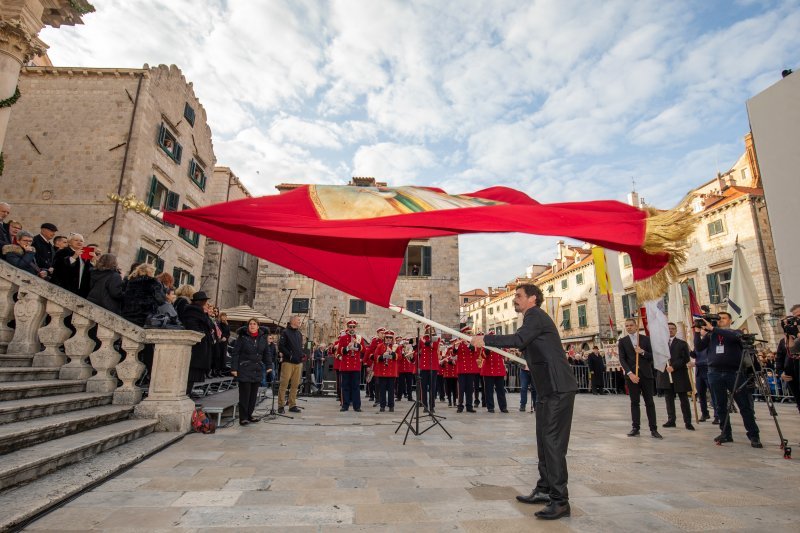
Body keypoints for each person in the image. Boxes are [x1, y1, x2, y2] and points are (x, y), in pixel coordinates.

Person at [474, 284, 577, 520]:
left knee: (552, 443)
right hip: (547, 389)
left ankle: (560, 501)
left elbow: (520, 339)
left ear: (532, 298)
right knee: (544, 440)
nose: (514, 300)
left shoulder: (535, 315)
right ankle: (544, 489)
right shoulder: (532, 318)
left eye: (518, 296)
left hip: (558, 388)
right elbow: (533, 347)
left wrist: (486, 339)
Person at [696, 312, 762, 447]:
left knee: (744, 405)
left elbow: (735, 337)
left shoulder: (735, 332)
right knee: (720, 405)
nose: (720, 320)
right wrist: (697, 331)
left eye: (723, 318)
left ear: (730, 321)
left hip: (734, 373)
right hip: (714, 372)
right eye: (718, 318)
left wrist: (713, 328)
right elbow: (699, 347)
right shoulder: (711, 335)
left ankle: (753, 435)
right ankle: (726, 433)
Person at [618, 318, 661, 439]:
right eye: (627, 326)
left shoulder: (645, 339)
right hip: (632, 376)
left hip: (646, 375)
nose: (629, 327)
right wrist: (630, 373)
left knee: (649, 402)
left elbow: (653, 356)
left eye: (631, 325)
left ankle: (653, 428)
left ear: (636, 326)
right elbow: (622, 359)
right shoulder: (623, 341)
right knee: (634, 402)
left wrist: (642, 352)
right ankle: (635, 427)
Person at [231, 318, 272, 425]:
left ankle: (249, 415)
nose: (252, 326)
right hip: (244, 368)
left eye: (254, 324)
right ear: (248, 326)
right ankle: (243, 418)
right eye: (250, 324)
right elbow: (235, 353)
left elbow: (267, 353)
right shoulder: (242, 337)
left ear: (258, 326)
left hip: (257, 369)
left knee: (253, 395)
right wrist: (234, 368)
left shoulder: (263, 338)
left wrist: (269, 365)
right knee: (245, 395)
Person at [657, 323, 694, 431]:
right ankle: (671, 420)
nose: (671, 330)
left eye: (673, 329)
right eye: (668, 329)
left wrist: (674, 366)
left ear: (676, 330)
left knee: (684, 400)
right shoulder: (661, 344)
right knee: (669, 399)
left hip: (679, 374)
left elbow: (685, 358)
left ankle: (688, 422)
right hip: (666, 375)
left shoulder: (682, 343)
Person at [179, 291, 214, 395]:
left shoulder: (199, 312)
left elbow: (209, 325)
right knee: (190, 374)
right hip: (197, 348)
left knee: (192, 375)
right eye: (206, 302)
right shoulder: (193, 311)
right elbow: (193, 327)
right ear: (202, 302)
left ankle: (187, 393)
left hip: (200, 348)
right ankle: (185, 394)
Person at [335, 320, 365, 412]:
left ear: (356, 328)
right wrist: (348, 347)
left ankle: (357, 406)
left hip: (355, 366)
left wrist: (356, 344)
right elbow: (340, 351)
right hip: (345, 366)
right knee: (345, 386)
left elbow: (363, 350)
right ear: (347, 328)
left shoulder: (360, 338)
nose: (352, 328)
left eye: (353, 327)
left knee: (356, 387)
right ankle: (345, 405)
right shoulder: (343, 338)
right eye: (350, 327)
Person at [776, 304, 800, 415]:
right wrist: (781, 372)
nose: (797, 319)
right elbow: (780, 358)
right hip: (792, 375)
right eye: (795, 317)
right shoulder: (784, 340)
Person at [277, 316, 304, 414]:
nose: (299, 321)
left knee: (295, 385)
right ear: (292, 321)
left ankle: (292, 404)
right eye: (298, 320)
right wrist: (290, 355)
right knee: (284, 384)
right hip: (288, 362)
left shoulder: (299, 333)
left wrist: (302, 354)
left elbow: (299, 347)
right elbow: (281, 346)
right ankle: (280, 405)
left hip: (298, 363)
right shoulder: (285, 332)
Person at [480, 334, 508, 413]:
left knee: (501, 390)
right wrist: (486, 351)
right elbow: (483, 356)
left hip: (499, 370)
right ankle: (490, 407)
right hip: (489, 370)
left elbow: (506, 356)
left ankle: (503, 407)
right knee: (489, 390)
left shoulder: (501, 346)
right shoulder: (485, 346)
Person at [373, 329, 399, 412]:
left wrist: (392, 353)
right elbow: (375, 357)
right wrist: (383, 356)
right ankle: (382, 406)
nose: (388, 339)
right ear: (384, 338)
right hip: (382, 372)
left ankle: (391, 406)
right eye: (387, 337)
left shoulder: (396, 346)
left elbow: (400, 357)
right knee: (382, 390)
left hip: (391, 372)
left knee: (391, 390)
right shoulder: (380, 346)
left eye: (390, 338)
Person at [455, 327, 479, 413]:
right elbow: (453, 353)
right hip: (461, 369)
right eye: (467, 334)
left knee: (470, 389)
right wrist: (456, 347)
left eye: (469, 334)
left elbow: (475, 352)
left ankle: (469, 406)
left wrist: (467, 344)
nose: (469, 335)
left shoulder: (473, 343)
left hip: (470, 369)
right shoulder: (458, 342)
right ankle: (460, 406)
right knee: (461, 389)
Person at [418, 325, 440, 413]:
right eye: (428, 329)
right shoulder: (422, 338)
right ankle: (425, 405)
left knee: (432, 387)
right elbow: (418, 349)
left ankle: (432, 406)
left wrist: (424, 341)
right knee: (423, 387)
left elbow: (433, 346)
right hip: (424, 366)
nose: (430, 330)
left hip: (433, 366)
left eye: (432, 328)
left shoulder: (436, 338)